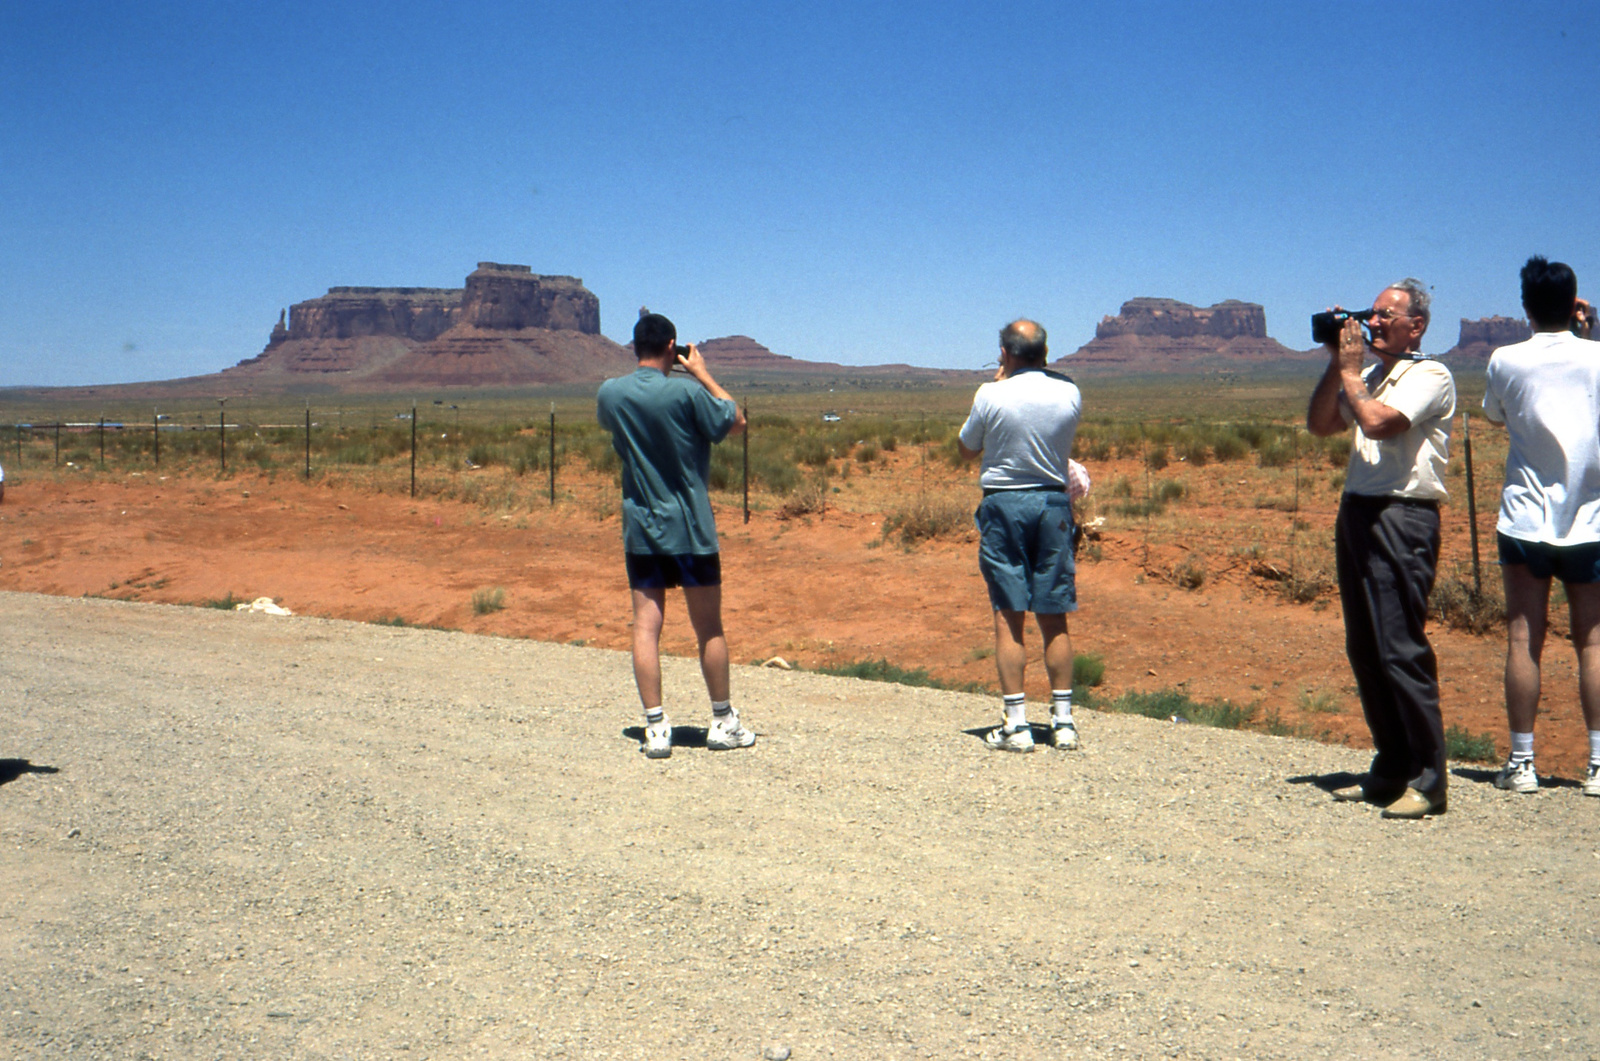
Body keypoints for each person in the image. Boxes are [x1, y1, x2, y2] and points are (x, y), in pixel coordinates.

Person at [1307, 279, 1456, 818]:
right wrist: (1335, 362)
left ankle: (1429, 779)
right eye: (1371, 314)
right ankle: (1391, 766)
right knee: (1365, 647)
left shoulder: (1431, 374)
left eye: (1386, 314)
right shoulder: (1368, 374)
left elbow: (1379, 423)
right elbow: (1321, 424)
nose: (1373, 322)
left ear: (1415, 325)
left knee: (1400, 648)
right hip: (1359, 510)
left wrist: (1349, 373)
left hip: (1403, 515)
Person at [596, 313, 751, 759]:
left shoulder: (610, 393)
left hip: (642, 529)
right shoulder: (688, 392)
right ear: (672, 346)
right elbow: (736, 421)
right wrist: (702, 373)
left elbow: (614, 424)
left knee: (646, 626)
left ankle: (656, 728)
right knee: (708, 628)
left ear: (634, 347)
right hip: (691, 529)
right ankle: (722, 722)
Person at [1482, 257, 1600, 796]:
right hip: (1591, 519)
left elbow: (1496, 416)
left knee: (1524, 639)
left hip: (1526, 518)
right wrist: (1588, 333)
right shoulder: (1598, 357)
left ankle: (1522, 763)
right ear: (1576, 302)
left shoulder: (1505, 359)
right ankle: (1598, 766)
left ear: (1526, 307)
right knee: (1593, 643)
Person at [958, 319, 1084, 752]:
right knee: (1054, 616)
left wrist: (999, 381)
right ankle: (1063, 722)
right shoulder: (1070, 391)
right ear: (1045, 352)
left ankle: (1017, 725)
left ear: (1004, 353)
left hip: (1004, 506)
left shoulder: (991, 393)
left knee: (1009, 616)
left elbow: (966, 446)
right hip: (1053, 505)